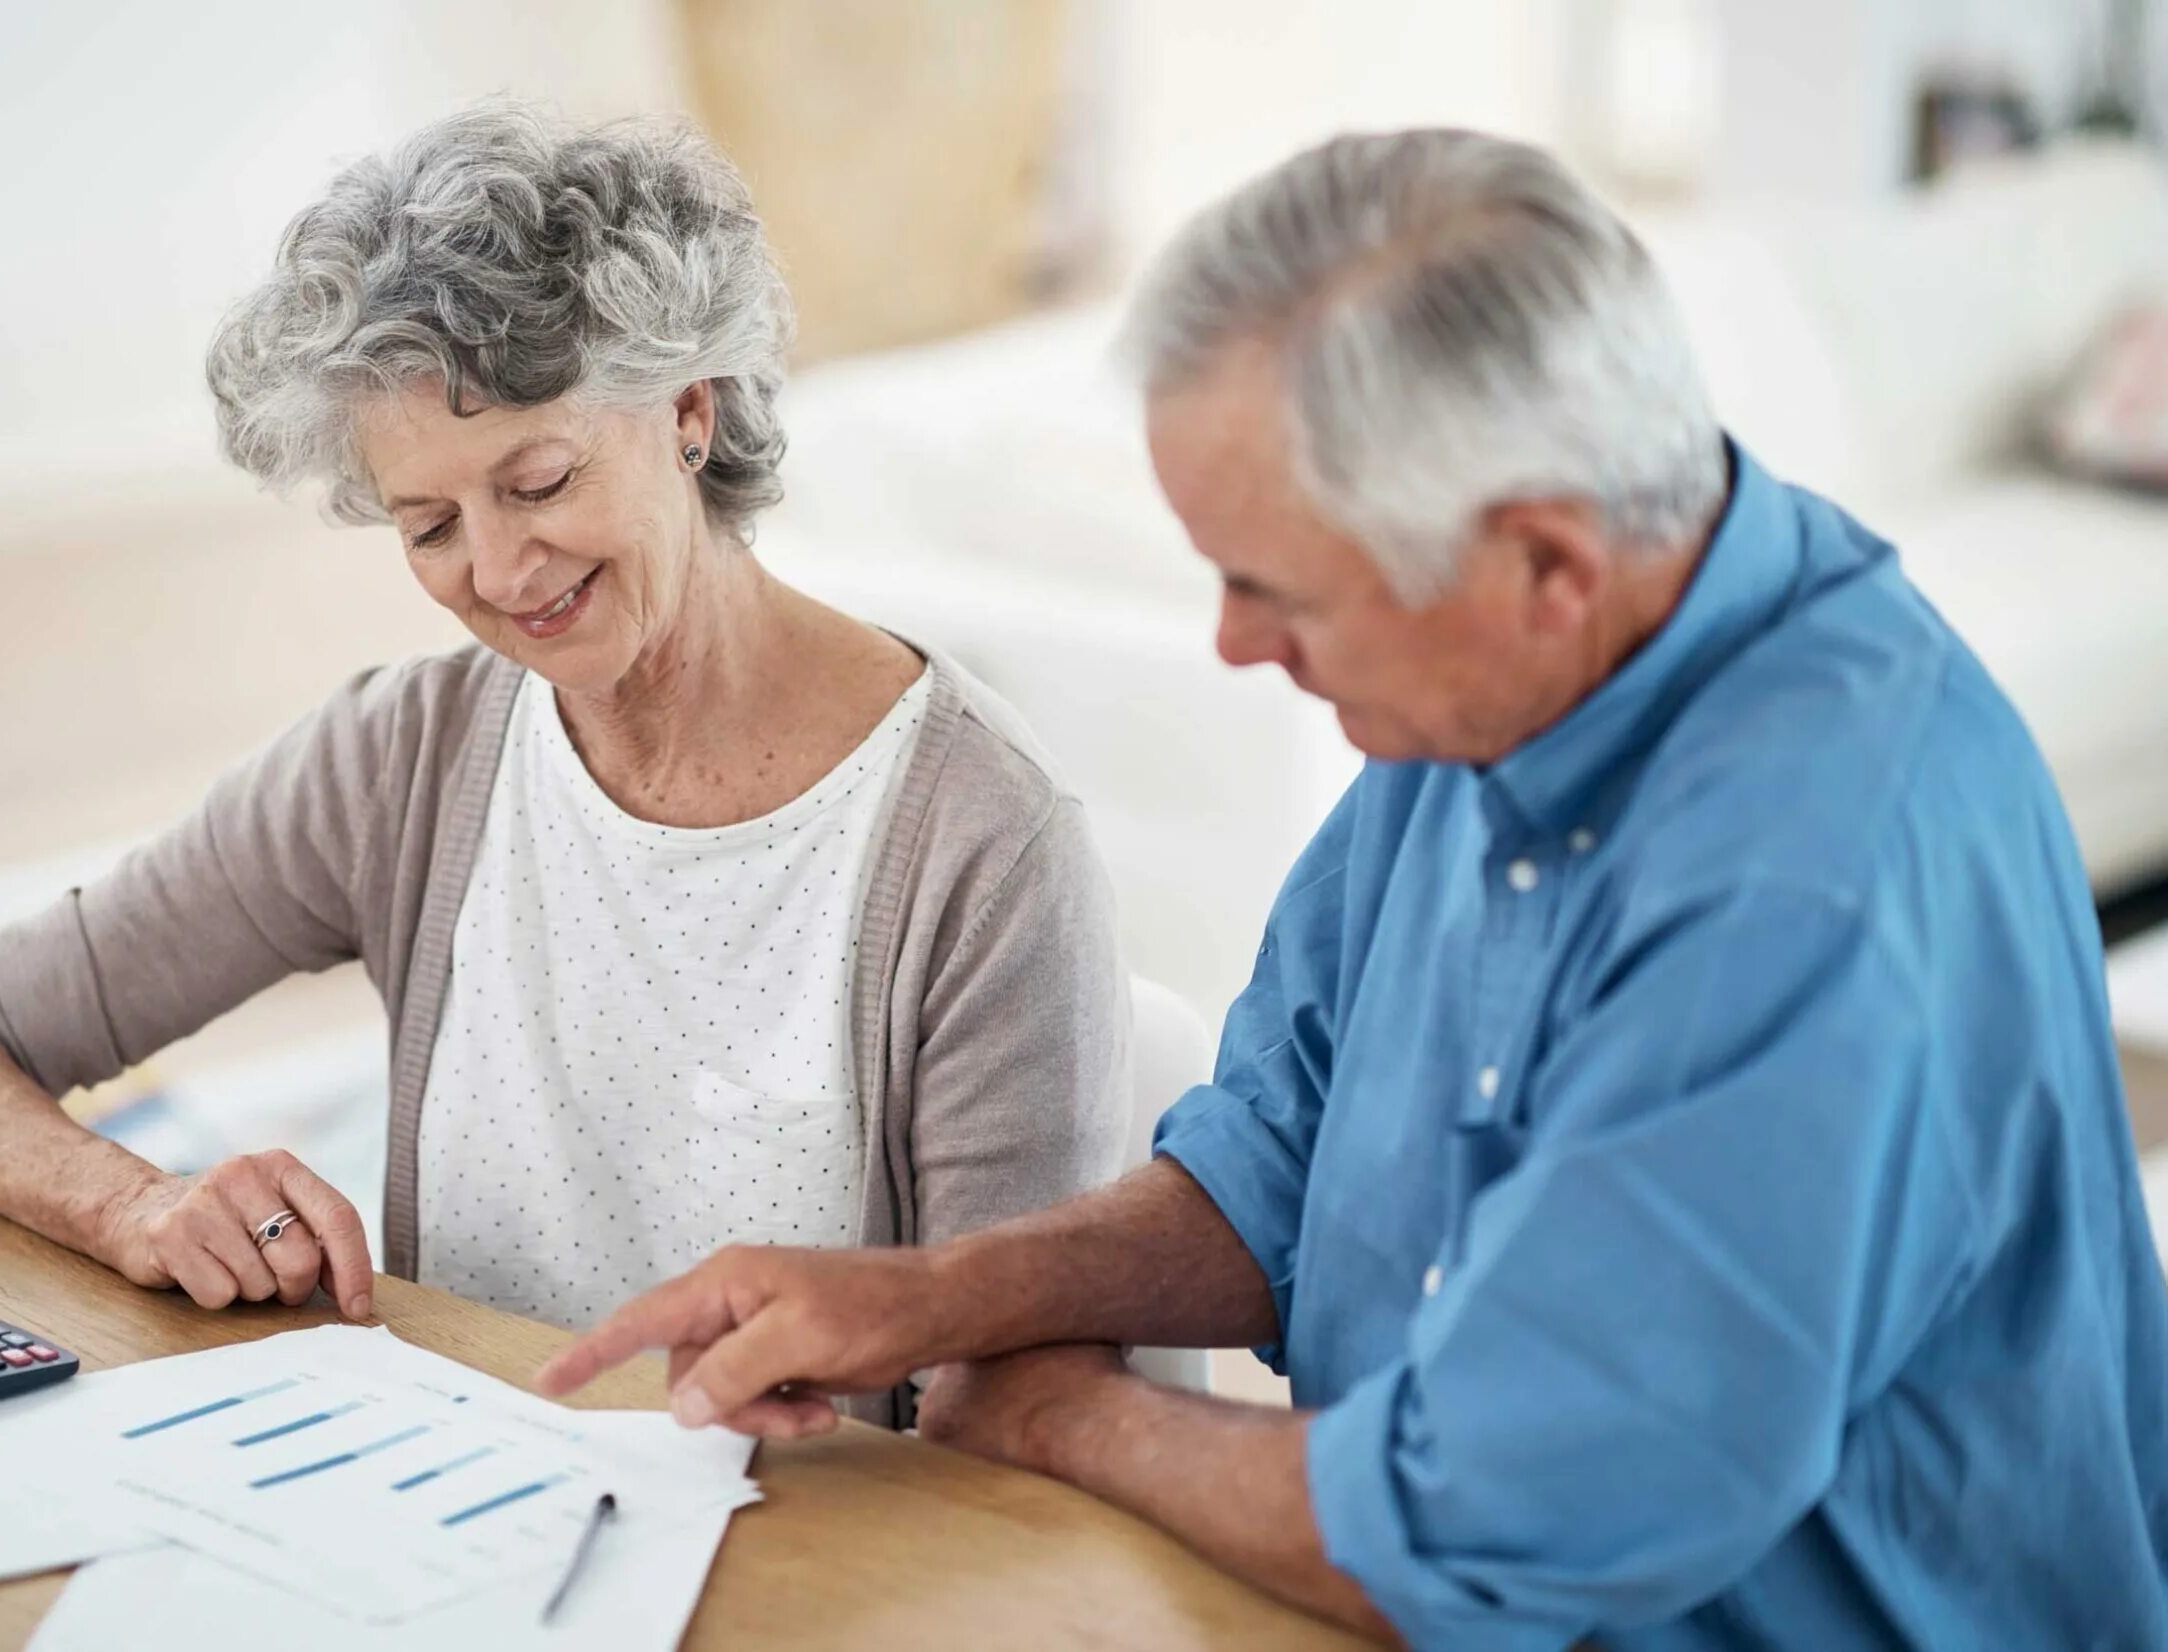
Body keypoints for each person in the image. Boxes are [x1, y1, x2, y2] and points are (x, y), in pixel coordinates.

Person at [537, 129, 2168, 1646]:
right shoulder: (1508, 674)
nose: (1237, 645)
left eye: (1276, 588)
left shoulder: (1810, 881)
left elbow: (1480, 1525)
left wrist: (1057, 1409)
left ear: (1544, 564)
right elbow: (1278, 1164)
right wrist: (929, 1298)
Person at [0, 101, 1128, 1427]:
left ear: (688, 410)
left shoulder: (974, 835)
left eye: (540, 482)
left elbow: (1029, 1409)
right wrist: (138, 1205)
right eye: (431, 524)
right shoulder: (403, 756)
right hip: (457, 1524)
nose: (502, 575)